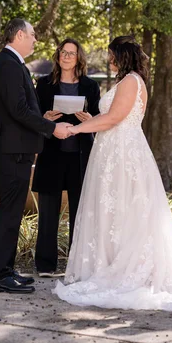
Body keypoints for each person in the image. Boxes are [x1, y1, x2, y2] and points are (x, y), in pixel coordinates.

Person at [53, 35, 172, 311]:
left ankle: (127, 269)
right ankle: (109, 262)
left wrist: (74, 129)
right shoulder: (126, 81)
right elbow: (109, 118)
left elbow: (114, 118)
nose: (108, 60)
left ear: (122, 56)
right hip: (113, 152)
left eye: (111, 55)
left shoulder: (132, 81)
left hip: (123, 155)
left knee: (127, 210)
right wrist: (89, 121)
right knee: (116, 211)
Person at [0, 18, 72, 294]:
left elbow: (22, 109)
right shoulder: (8, 65)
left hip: (17, 149)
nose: (36, 40)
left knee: (12, 211)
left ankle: (6, 270)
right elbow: (18, 110)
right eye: (33, 35)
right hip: (11, 151)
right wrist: (52, 128)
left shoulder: (12, 64)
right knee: (9, 212)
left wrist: (42, 118)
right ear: (20, 35)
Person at [32, 38, 101, 278]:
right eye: (63, 52)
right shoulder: (43, 84)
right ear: (58, 56)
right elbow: (33, 118)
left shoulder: (91, 87)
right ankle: (45, 266)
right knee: (48, 214)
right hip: (52, 155)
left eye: (71, 53)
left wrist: (89, 120)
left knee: (79, 214)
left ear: (79, 58)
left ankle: (77, 267)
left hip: (79, 157)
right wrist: (45, 118)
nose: (67, 56)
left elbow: (99, 119)